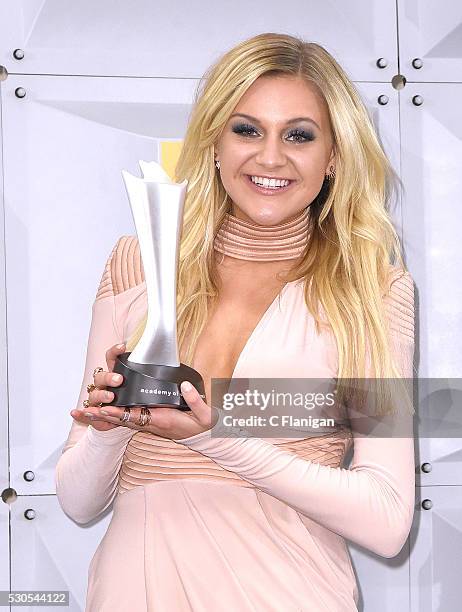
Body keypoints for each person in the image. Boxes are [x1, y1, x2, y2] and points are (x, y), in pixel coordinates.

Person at [55, 32, 416, 612]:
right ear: (215, 144)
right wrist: (110, 426)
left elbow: (388, 519)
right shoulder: (137, 265)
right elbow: (77, 502)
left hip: (288, 593)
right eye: (247, 129)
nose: (270, 157)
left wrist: (215, 438)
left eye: (299, 135)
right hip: (132, 591)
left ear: (334, 158)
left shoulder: (371, 289)